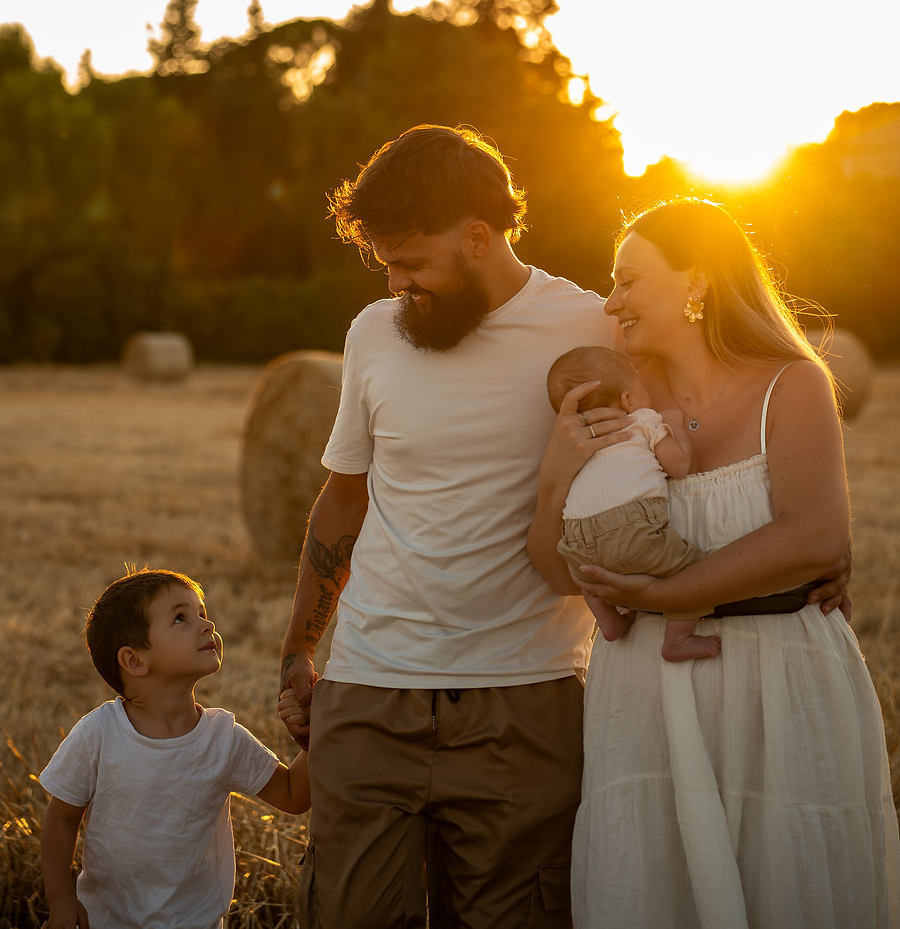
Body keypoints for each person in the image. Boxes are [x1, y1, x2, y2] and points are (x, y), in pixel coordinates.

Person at [277, 124, 623, 929]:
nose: (396, 280)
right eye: (385, 263)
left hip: (525, 704)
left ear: (478, 237)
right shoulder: (373, 333)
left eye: (411, 260)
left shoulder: (592, 327)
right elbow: (342, 501)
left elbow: (688, 437)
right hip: (369, 693)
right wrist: (299, 644)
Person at [528, 198, 900, 929]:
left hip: (779, 682)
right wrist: (551, 480)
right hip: (644, 698)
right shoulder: (615, 400)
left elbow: (817, 537)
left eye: (629, 279)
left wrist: (663, 593)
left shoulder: (791, 383)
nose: (611, 300)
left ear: (695, 282)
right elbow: (559, 569)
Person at [39, 567, 310, 929]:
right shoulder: (99, 734)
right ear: (135, 660)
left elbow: (294, 796)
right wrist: (60, 899)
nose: (206, 625)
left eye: (203, 613)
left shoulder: (222, 737)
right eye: (181, 618)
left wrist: (313, 740)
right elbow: (61, 817)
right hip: (107, 921)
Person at [547, 344, 721, 662]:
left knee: (587, 578)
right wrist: (676, 428)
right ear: (628, 399)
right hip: (632, 529)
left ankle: (609, 620)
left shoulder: (577, 441)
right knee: (696, 573)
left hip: (576, 543)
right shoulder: (642, 419)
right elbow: (679, 465)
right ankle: (677, 641)